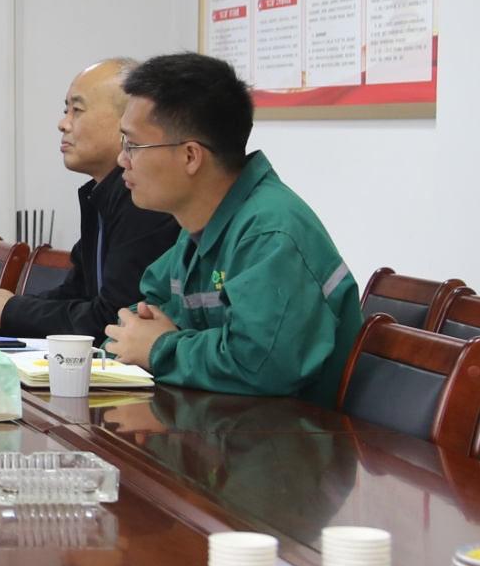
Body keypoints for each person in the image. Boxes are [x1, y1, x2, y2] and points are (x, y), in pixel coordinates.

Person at [102, 52, 364, 406]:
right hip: (227, 434)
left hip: (294, 447)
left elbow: (259, 365)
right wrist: (135, 339)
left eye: (133, 145)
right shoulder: (201, 226)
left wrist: (160, 348)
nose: (122, 159)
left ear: (191, 156)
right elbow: (144, 317)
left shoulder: (270, 233)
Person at [0, 58, 178, 339]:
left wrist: (11, 310)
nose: (63, 124)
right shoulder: (101, 193)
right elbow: (77, 293)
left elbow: (114, 317)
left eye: (77, 110)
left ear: (127, 121)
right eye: (66, 110)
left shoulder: (143, 198)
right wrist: (3, 314)